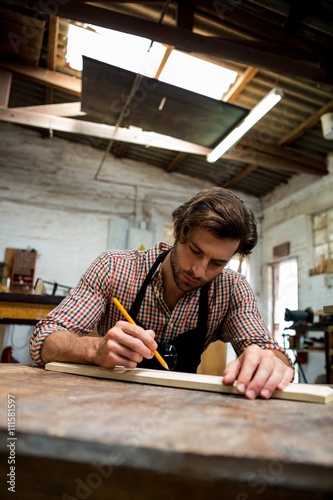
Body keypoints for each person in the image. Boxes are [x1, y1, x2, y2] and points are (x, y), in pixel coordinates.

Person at [30, 187, 294, 399]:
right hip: (107, 405)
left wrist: (269, 362)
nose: (200, 271)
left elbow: (272, 352)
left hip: (183, 412)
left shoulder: (231, 289)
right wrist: (95, 349)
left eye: (217, 263)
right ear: (178, 231)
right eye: (195, 251)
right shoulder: (114, 268)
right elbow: (43, 340)